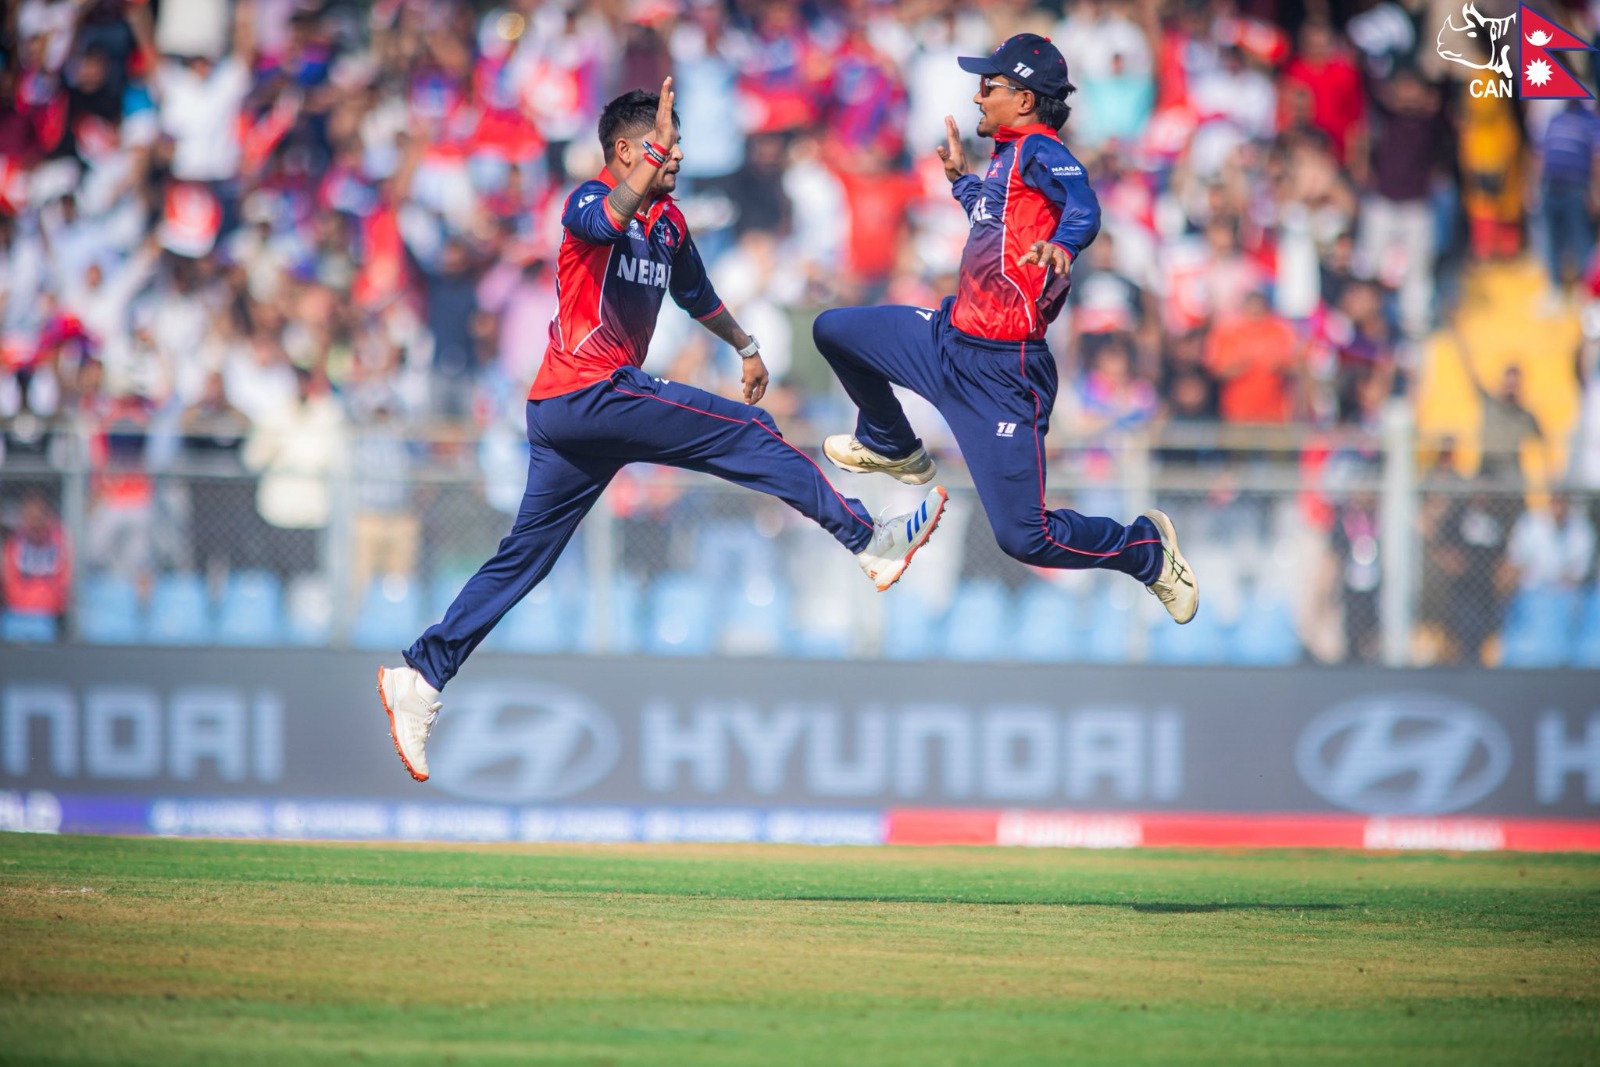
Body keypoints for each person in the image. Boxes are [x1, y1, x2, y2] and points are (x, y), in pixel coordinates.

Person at [377, 82, 945, 782]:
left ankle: (422, 675)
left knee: (524, 558)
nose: (677, 155)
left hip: (582, 419)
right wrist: (647, 161)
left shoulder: (671, 222)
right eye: (664, 143)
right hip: (587, 392)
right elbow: (612, 218)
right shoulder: (587, 202)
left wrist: (744, 345)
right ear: (625, 150)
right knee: (750, 431)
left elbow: (695, 293)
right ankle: (867, 539)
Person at [808, 35, 1196, 625]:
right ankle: (892, 443)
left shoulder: (1042, 149)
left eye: (990, 85)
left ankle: (1143, 550)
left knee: (1024, 537)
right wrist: (963, 182)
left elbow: (1083, 204)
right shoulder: (1006, 158)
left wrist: (1065, 244)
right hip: (946, 341)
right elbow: (995, 225)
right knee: (834, 330)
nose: (978, 94)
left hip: (1002, 372)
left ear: (1025, 99)